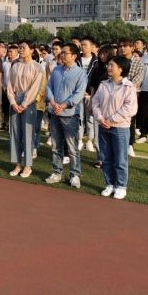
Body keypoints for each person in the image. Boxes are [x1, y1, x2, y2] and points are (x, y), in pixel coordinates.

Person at [91, 56, 138, 200]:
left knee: (120, 159)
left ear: (121, 69)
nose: (108, 67)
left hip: (120, 128)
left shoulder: (129, 86)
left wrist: (111, 120)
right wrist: (100, 118)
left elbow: (130, 108)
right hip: (103, 125)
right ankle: (109, 184)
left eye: (112, 65)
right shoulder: (104, 84)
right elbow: (95, 102)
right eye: (108, 65)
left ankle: (121, 186)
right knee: (105, 157)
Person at [45, 43, 88, 188]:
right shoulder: (56, 70)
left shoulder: (80, 73)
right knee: (56, 146)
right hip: (54, 113)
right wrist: (52, 102)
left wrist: (62, 105)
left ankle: (75, 175)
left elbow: (78, 94)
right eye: (61, 52)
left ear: (74, 56)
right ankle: (56, 172)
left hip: (70, 115)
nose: (61, 55)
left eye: (65, 53)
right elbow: (49, 87)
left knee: (72, 148)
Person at [6, 40, 43, 178]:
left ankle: (28, 166)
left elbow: (35, 88)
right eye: (19, 48)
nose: (20, 50)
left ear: (31, 50)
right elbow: (9, 86)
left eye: (23, 48)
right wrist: (13, 102)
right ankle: (17, 164)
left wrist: (24, 103)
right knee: (15, 133)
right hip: (15, 101)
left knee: (28, 135)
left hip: (29, 103)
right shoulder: (15, 66)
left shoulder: (37, 67)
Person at [117, 39, 144, 157]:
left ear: (132, 48)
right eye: (121, 46)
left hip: (131, 95)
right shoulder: (116, 61)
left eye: (125, 46)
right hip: (115, 95)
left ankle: (130, 144)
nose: (122, 48)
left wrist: (122, 88)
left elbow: (136, 81)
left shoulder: (138, 63)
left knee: (130, 121)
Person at [78, 37, 98, 152]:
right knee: (79, 118)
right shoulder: (77, 59)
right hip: (78, 94)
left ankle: (90, 140)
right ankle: (79, 139)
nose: (83, 47)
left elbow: (96, 79)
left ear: (91, 46)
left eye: (85, 45)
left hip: (91, 94)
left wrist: (90, 92)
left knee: (90, 118)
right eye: (81, 44)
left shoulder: (96, 61)